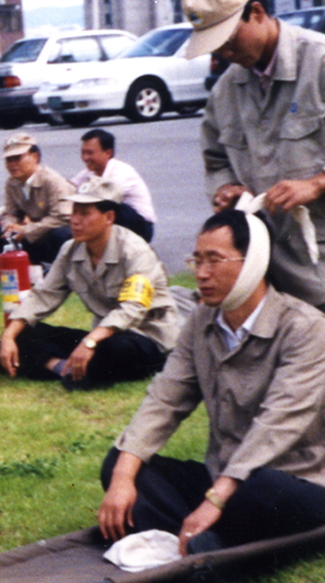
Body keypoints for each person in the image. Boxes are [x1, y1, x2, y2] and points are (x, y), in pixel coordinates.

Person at [98, 209, 325, 558]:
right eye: (197, 260)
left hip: (294, 479)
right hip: (221, 480)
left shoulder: (306, 327)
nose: (201, 274)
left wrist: (216, 499)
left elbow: (278, 424)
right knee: (122, 463)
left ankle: (203, 532)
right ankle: (214, 536)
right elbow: (165, 399)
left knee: (265, 489)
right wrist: (121, 478)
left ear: (254, 263)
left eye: (214, 261)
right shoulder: (201, 321)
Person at [190, 0, 325, 307]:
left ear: (257, 12)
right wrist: (225, 188)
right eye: (215, 48)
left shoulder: (319, 63)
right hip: (269, 270)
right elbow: (216, 158)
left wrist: (316, 184)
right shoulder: (225, 91)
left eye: (229, 40)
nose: (223, 54)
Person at [0, 177, 179, 388]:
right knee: (13, 342)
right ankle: (64, 368)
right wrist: (10, 334)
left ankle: (68, 368)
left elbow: (132, 309)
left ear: (109, 217)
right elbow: (43, 295)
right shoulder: (70, 250)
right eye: (74, 212)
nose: (75, 220)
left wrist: (90, 342)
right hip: (98, 338)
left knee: (112, 352)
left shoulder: (135, 251)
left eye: (85, 213)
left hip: (144, 338)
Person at [0, 132, 74, 266]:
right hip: (35, 231)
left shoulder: (52, 180)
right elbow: (11, 212)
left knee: (61, 234)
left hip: (52, 233)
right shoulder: (12, 182)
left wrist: (25, 231)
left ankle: (62, 270)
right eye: (8, 160)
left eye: (17, 158)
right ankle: (29, 268)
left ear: (35, 156)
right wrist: (9, 228)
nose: (12, 164)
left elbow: (61, 218)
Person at [73, 128, 156, 241]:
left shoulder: (121, 171)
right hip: (117, 221)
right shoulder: (90, 172)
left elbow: (106, 199)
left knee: (104, 206)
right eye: (83, 152)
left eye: (90, 153)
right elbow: (69, 187)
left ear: (108, 153)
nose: (85, 158)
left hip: (140, 227)